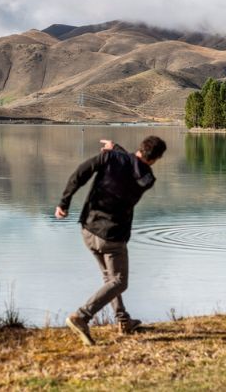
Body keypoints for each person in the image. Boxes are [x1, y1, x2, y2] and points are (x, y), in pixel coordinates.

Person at [55, 135, 167, 346]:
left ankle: (123, 320)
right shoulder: (147, 179)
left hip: (88, 229)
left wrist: (64, 203)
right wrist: (117, 149)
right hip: (113, 238)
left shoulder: (108, 158)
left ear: (141, 147)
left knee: (110, 279)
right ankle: (82, 316)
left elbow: (79, 174)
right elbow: (134, 166)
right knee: (119, 282)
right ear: (156, 159)